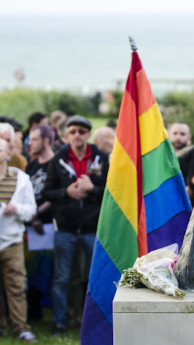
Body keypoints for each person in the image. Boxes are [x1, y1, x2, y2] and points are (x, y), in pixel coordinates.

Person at [42, 115, 109, 335]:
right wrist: (66, 192)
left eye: (81, 131)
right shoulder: (58, 159)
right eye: (72, 131)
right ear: (65, 135)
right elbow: (47, 192)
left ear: (89, 134)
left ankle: (89, 319)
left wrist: (92, 189)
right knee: (62, 278)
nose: (77, 135)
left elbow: (112, 191)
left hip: (92, 229)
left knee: (93, 278)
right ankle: (60, 322)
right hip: (66, 229)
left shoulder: (101, 158)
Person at [0, 138, 37, 342]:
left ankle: (21, 327)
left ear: (7, 154)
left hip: (12, 240)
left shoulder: (21, 178)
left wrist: (17, 209)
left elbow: (31, 209)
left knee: (15, 284)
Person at [25, 124, 55, 322]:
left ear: (46, 140)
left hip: (50, 227)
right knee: (31, 270)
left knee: (50, 271)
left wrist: (37, 213)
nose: (29, 143)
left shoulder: (56, 163)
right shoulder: (31, 165)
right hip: (31, 227)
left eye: (34, 139)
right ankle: (34, 314)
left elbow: (56, 195)